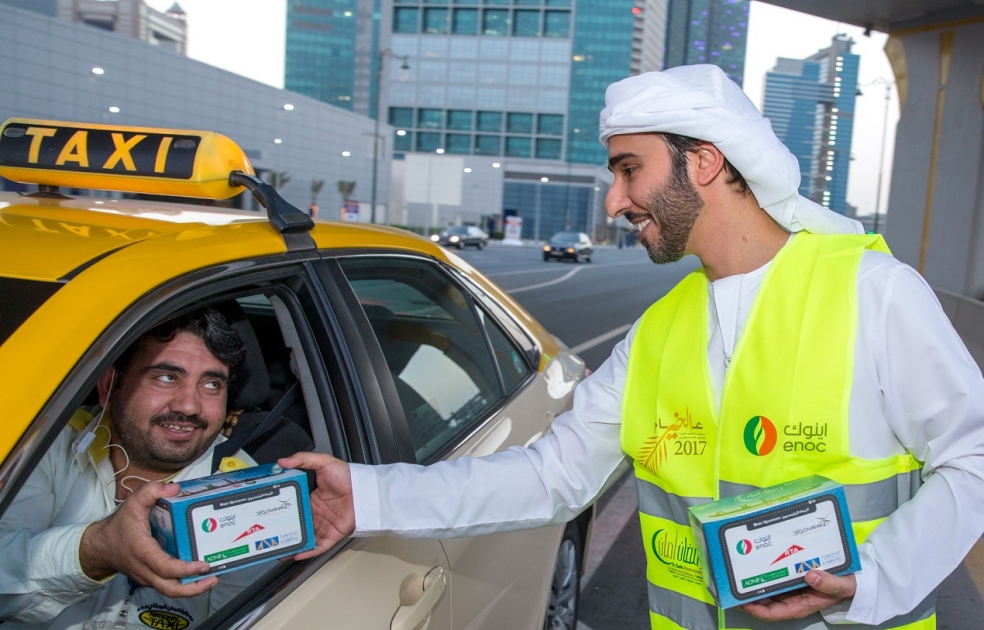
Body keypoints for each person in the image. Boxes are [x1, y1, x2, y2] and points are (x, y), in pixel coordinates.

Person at [283, 65, 984, 629]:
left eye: (628, 169)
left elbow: (974, 457)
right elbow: (550, 476)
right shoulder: (658, 331)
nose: (614, 201)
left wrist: (872, 579)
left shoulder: (874, 292)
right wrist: (367, 496)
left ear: (703, 161)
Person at [0, 307, 261, 629]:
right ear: (109, 386)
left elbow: (249, 621)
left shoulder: (242, 492)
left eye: (211, 385)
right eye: (166, 377)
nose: (189, 406)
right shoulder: (46, 445)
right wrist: (97, 549)